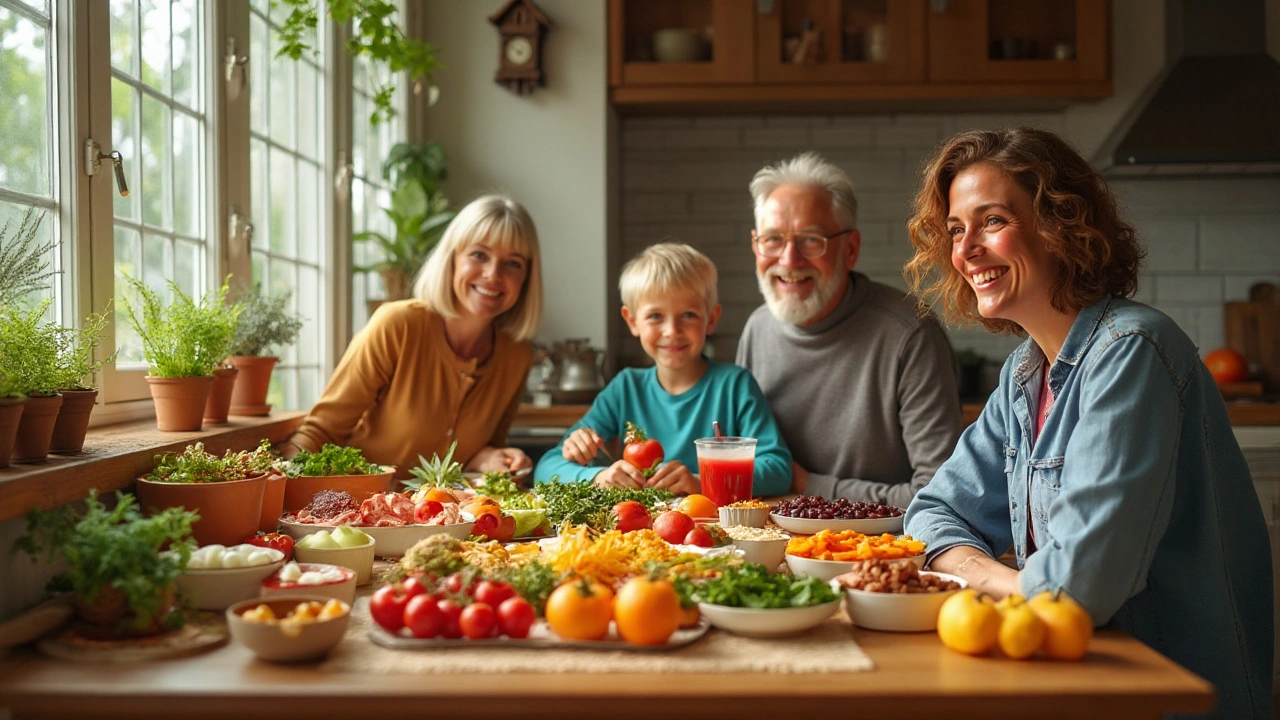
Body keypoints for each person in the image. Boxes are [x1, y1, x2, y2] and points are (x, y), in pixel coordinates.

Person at [902, 127, 1271, 719]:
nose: (965, 249)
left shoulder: (1132, 351)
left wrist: (985, 577)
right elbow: (928, 513)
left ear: (1060, 224)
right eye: (954, 228)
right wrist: (1006, 580)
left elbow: (1075, 591)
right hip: (1070, 685)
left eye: (991, 220)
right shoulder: (1026, 371)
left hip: (1159, 697)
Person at [736, 152, 961, 508]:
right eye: (773, 239)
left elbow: (939, 494)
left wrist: (811, 485)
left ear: (850, 249)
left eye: (811, 240)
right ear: (755, 245)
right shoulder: (757, 329)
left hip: (878, 549)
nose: (789, 260)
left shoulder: (910, 334)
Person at [282, 194, 542, 477]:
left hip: (449, 516)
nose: (493, 274)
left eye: (513, 263)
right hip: (359, 508)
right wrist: (282, 483)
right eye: (479, 255)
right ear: (452, 259)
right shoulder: (397, 325)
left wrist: (489, 456)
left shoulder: (518, 356)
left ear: (527, 278)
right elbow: (321, 431)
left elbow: (484, 451)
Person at [534, 242, 791, 497]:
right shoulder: (625, 388)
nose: (672, 331)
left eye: (688, 315)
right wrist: (597, 477)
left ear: (711, 319)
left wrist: (704, 482)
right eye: (655, 316)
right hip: (636, 534)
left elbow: (779, 469)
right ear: (632, 321)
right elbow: (547, 467)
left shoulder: (735, 386)